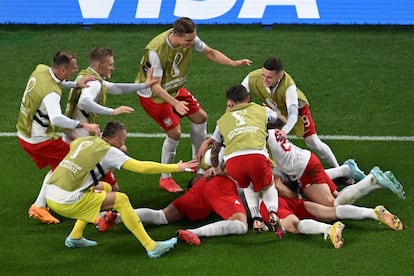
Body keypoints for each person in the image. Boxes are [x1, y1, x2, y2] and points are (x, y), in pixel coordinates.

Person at [45, 121, 199, 258]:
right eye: (124, 139)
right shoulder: (109, 152)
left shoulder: (82, 141)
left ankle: (75, 237)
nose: (124, 143)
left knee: (105, 187)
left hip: (51, 194)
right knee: (121, 199)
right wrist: (176, 167)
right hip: (66, 200)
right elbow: (141, 167)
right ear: (117, 140)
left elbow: (74, 146)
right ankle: (152, 246)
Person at [135, 16, 252, 193]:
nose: (192, 43)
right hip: (154, 96)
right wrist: (175, 103)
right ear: (177, 35)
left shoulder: (189, 39)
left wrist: (233, 63)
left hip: (175, 88)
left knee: (200, 118)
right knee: (175, 133)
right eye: (189, 40)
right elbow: (155, 86)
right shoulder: (155, 51)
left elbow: (210, 52)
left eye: (193, 39)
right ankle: (165, 177)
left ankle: (197, 163)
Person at [16, 50, 100, 224]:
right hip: (39, 140)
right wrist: (84, 125)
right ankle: (47, 204)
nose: (74, 72)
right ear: (62, 70)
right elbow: (57, 118)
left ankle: (41, 205)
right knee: (74, 162)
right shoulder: (52, 94)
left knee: (60, 166)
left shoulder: (41, 70)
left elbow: (56, 83)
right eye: (72, 70)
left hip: (24, 131)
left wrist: (76, 84)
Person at [64, 46, 158, 191]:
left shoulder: (85, 76)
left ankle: (94, 182)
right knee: (113, 186)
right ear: (98, 66)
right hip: (82, 143)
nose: (113, 68)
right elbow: (84, 102)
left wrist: (143, 85)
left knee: (120, 152)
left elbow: (115, 87)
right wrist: (112, 111)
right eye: (110, 65)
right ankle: (91, 187)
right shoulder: (93, 83)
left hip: (73, 137)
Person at [207, 84, 282, 234]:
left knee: (247, 185)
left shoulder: (222, 120)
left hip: (234, 162)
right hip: (256, 157)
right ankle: (273, 212)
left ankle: (256, 218)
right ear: (247, 98)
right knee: (268, 185)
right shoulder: (261, 110)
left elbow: (215, 149)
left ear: (231, 103)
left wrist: (216, 168)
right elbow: (281, 121)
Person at [241, 57, 339, 170]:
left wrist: (284, 130)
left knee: (312, 142)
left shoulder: (289, 86)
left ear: (280, 76)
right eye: (263, 75)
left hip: (298, 111)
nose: (264, 79)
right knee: (265, 137)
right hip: (276, 109)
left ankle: (338, 168)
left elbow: (293, 113)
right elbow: (238, 96)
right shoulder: (252, 78)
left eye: (269, 77)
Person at [97, 174, 248, 246]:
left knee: (162, 215)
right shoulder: (260, 154)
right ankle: (194, 232)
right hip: (222, 186)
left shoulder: (223, 143)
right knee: (240, 224)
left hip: (202, 183)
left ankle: (115, 217)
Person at [266, 128, 405, 206]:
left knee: (333, 207)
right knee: (339, 197)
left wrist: (298, 198)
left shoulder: (258, 146)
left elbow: (276, 183)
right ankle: (374, 180)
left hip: (305, 171)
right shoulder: (270, 131)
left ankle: (373, 179)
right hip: (307, 160)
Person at [258, 195, 403, 249]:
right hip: (281, 197)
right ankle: (373, 212)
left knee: (294, 226)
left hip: (265, 204)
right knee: (330, 212)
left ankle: (328, 230)